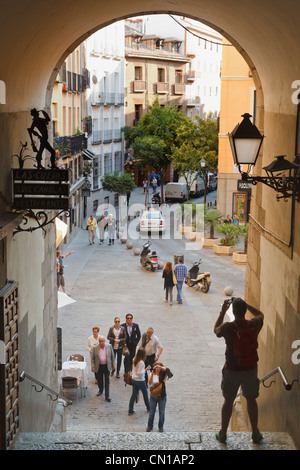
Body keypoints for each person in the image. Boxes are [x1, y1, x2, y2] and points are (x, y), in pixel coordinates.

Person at [214, 297, 264, 444]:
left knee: (228, 401)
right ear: (244, 311)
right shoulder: (254, 325)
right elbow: (261, 314)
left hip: (232, 369)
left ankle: (223, 434)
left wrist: (222, 311)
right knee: (251, 400)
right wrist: (246, 304)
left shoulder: (228, 327)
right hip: (250, 369)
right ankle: (255, 433)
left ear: (233, 312)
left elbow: (216, 330)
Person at [146, 362, 173, 432]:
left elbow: (168, 371)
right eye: (156, 367)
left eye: (158, 367)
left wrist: (161, 367)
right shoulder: (152, 374)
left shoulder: (164, 374)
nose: (157, 368)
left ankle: (160, 427)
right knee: (152, 412)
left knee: (162, 412)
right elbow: (149, 383)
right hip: (153, 396)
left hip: (162, 396)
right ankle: (149, 426)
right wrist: (152, 373)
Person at [91, 336, 115, 402]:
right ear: (99, 342)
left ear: (105, 341)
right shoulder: (95, 348)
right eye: (100, 341)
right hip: (99, 366)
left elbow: (112, 356)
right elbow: (92, 359)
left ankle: (107, 395)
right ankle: (100, 390)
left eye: (102, 341)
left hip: (107, 366)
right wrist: (92, 366)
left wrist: (113, 365)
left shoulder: (109, 346)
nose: (101, 343)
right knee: (100, 380)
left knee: (107, 381)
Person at [128, 347, 151, 415]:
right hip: (140, 380)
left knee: (134, 394)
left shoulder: (134, 359)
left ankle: (130, 409)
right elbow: (140, 373)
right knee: (145, 393)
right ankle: (148, 407)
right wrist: (146, 369)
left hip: (134, 379)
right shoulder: (141, 363)